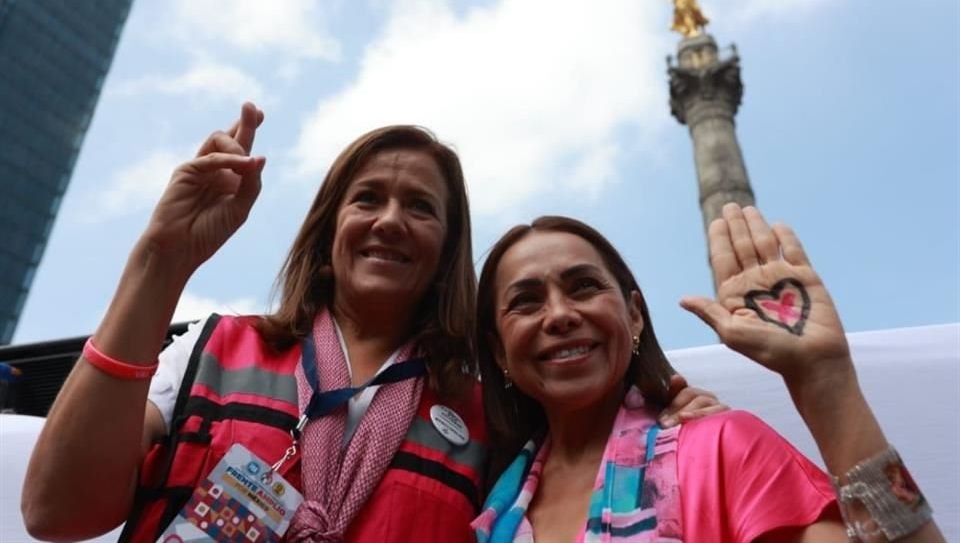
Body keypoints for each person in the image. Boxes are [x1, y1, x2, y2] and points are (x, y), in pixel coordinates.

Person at [21, 104, 721, 542]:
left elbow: (597, 475)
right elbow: (57, 512)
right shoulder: (210, 352)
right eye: (368, 199)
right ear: (331, 229)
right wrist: (161, 260)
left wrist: (676, 428)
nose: (389, 220)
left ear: (447, 250)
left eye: (420, 207)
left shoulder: (497, 418)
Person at [472, 205, 943, 542]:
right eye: (526, 301)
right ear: (498, 351)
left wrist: (825, 380)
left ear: (634, 316)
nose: (559, 314)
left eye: (584, 286)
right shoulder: (485, 509)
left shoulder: (720, 448)